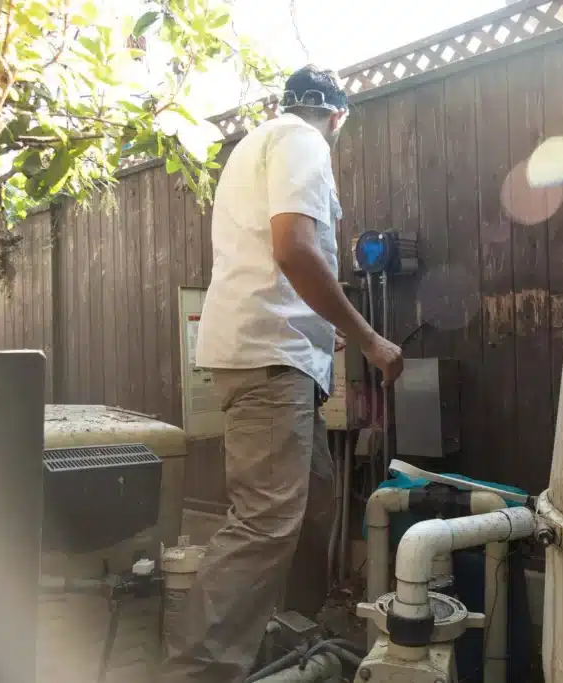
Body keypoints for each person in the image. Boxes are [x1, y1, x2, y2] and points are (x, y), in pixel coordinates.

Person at [162, 65, 404, 682]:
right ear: (338, 115)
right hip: (270, 354)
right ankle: (199, 669)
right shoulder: (302, 141)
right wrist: (369, 338)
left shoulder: (256, 144)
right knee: (266, 521)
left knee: (317, 502)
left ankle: (286, 631)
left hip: (270, 354)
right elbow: (294, 247)